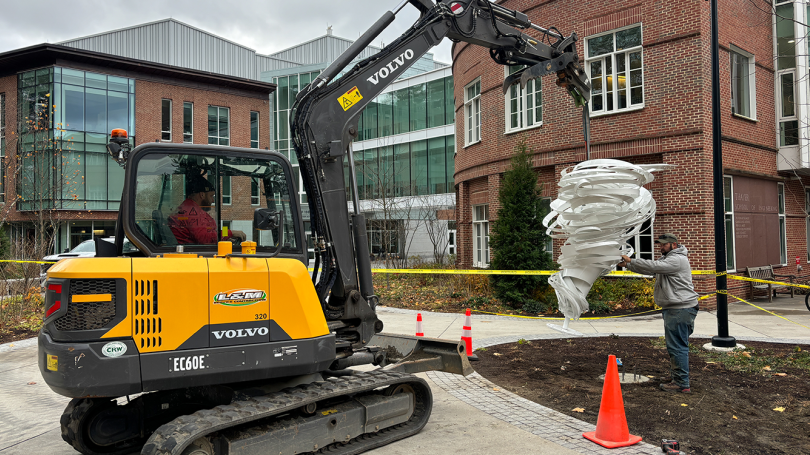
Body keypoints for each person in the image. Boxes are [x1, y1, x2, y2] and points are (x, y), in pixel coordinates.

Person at [617, 233, 699, 393]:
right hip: (676, 308)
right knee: (675, 345)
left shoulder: (677, 260)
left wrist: (631, 260)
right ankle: (677, 376)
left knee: (677, 346)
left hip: (680, 309)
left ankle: (682, 383)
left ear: (673, 245)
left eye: (664, 245)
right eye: (660, 244)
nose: (660, 247)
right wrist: (628, 266)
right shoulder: (668, 259)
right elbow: (651, 269)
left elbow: (654, 267)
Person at [168, 174, 246, 244]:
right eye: (211, 196)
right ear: (202, 195)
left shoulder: (191, 208)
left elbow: (212, 231)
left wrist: (225, 236)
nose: (212, 200)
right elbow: (205, 238)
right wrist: (230, 233)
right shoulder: (191, 212)